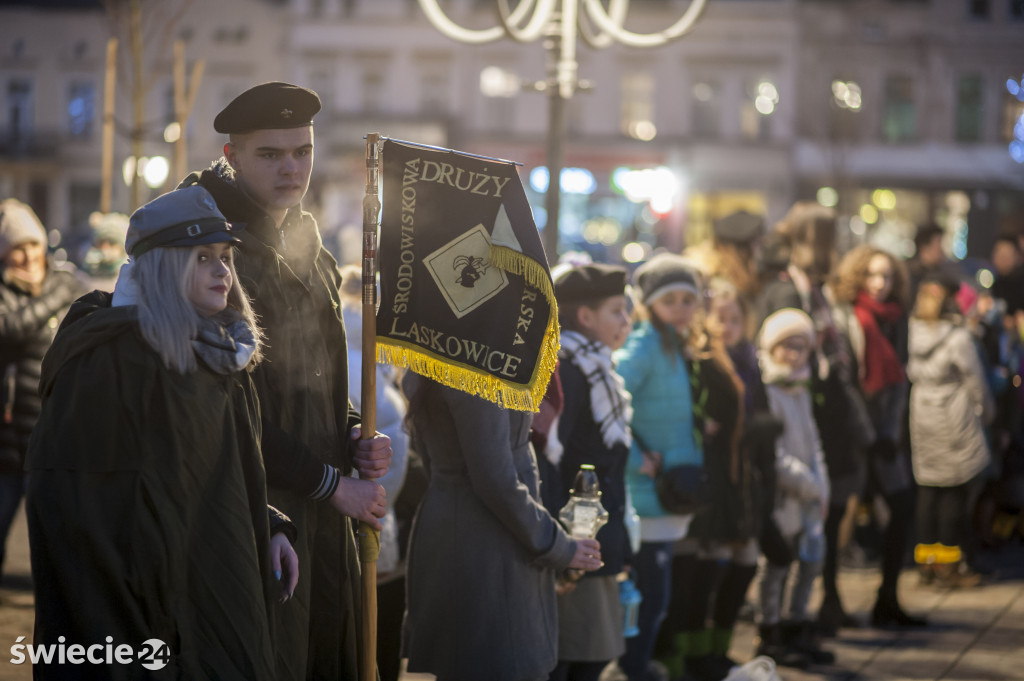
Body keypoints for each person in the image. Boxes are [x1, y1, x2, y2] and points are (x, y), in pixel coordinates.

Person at [25, 186, 299, 679]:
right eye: (201, 257)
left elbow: (209, 471)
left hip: (212, 595)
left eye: (225, 257)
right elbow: (81, 513)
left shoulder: (215, 352)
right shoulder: (110, 362)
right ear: (164, 266)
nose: (223, 271)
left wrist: (266, 522)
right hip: (146, 628)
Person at [180, 82, 391, 680]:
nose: (291, 167)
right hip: (251, 511)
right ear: (232, 154)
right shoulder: (206, 247)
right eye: (271, 155)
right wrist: (330, 484)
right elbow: (221, 406)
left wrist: (353, 431)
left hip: (324, 515)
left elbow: (316, 379)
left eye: (301, 151)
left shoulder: (310, 247)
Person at [401, 370, 602, 681]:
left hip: (468, 533)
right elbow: (494, 477)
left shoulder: (450, 350)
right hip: (488, 548)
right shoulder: (476, 361)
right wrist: (557, 546)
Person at [613, 253, 705, 681]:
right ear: (649, 303)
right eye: (672, 300)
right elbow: (611, 408)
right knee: (649, 595)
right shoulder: (645, 345)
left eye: (689, 299)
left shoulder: (672, 344)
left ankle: (636, 666)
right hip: (648, 492)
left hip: (667, 490)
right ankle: (632, 669)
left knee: (655, 595)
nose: (682, 308)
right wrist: (636, 459)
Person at [828, 245, 925, 628]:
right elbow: (845, 382)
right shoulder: (846, 317)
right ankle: (829, 599)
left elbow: (900, 377)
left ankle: (888, 598)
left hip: (884, 433)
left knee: (901, 507)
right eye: (872, 275)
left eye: (886, 275)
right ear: (858, 276)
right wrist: (867, 435)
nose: (880, 283)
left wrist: (886, 433)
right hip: (852, 433)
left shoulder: (896, 319)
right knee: (836, 513)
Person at [545, 263, 633, 681]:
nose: (626, 320)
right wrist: (567, 551)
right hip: (578, 539)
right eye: (617, 310)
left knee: (592, 654)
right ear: (585, 317)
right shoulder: (569, 371)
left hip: (596, 534)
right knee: (572, 656)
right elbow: (554, 460)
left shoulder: (598, 368)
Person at [0, 198, 85, 580]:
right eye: (18, 247)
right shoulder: (61, 289)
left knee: (54, 544)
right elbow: (9, 329)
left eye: (33, 244)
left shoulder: (71, 288)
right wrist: (56, 294)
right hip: (4, 441)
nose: (29, 255)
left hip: (50, 436)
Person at [338, 263, 409, 681]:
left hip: (367, 508)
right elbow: (385, 448)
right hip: (365, 515)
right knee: (370, 635)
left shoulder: (367, 357)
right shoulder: (361, 361)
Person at [755, 308, 833, 668]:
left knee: (811, 562)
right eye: (784, 346)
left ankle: (797, 625)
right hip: (785, 496)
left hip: (811, 496)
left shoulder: (801, 386)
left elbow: (814, 441)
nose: (792, 354)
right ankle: (769, 630)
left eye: (800, 347)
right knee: (777, 568)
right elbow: (776, 454)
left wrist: (822, 486)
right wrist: (809, 484)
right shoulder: (769, 389)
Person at [907, 274, 994, 587]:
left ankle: (926, 563)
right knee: (953, 491)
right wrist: (987, 413)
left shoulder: (912, 332)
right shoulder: (957, 338)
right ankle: (949, 566)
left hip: (921, 413)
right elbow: (976, 381)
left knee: (928, 490)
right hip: (953, 414)